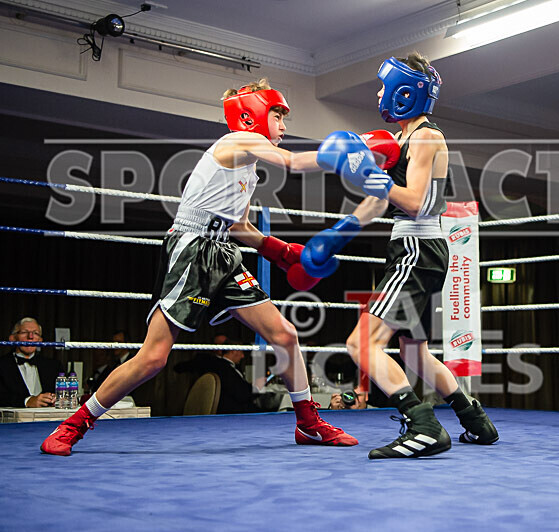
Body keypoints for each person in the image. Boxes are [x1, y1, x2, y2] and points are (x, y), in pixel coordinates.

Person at [41, 78, 367, 455]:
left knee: (286, 335)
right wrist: (344, 154)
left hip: (223, 254)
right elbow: (293, 162)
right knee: (154, 357)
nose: (283, 125)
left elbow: (239, 227)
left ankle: (308, 423)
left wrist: (283, 252)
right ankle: (74, 424)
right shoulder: (236, 141)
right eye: (277, 114)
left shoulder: (250, 168)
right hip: (191, 249)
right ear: (252, 116)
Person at [305, 52, 498, 459]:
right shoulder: (402, 142)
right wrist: (337, 233)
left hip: (416, 247)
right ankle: (476, 422)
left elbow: (411, 201)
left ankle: (423, 425)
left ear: (404, 92)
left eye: (383, 87)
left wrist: (369, 173)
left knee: (361, 344)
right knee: (415, 351)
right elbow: (381, 203)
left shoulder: (427, 137)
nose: (379, 93)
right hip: (415, 247)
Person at [0, 317, 63, 407]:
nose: (30, 337)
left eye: (35, 333)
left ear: (40, 340)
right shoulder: (2, 365)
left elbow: (64, 394)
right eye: (24, 332)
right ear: (12, 338)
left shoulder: (54, 365)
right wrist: (27, 401)